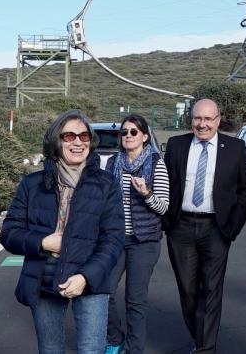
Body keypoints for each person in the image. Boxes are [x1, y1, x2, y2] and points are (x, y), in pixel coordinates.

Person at [0, 110, 124, 354]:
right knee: (51, 349)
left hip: (89, 281)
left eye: (84, 136)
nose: (78, 142)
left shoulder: (106, 183)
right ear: (56, 141)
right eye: (69, 136)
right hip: (44, 281)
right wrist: (43, 242)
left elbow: (113, 238)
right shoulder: (32, 185)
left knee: (91, 350)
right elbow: (9, 233)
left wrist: (85, 277)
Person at [161, 98, 246, 353]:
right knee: (188, 290)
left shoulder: (234, 148)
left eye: (208, 119)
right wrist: (167, 221)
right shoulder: (176, 145)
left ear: (218, 120)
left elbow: (245, 190)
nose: (202, 124)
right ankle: (200, 338)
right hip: (180, 227)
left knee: (212, 290)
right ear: (191, 119)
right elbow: (166, 184)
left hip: (216, 227)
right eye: (197, 119)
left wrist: (232, 227)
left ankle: (205, 349)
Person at [105, 114, 170, 354]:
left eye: (134, 132)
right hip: (115, 240)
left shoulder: (155, 163)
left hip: (144, 241)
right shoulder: (113, 163)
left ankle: (134, 349)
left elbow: (164, 207)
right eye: (124, 132)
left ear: (144, 136)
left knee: (135, 300)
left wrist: (146, 193)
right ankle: (114, 338)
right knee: (104, 291)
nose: (128, 136)